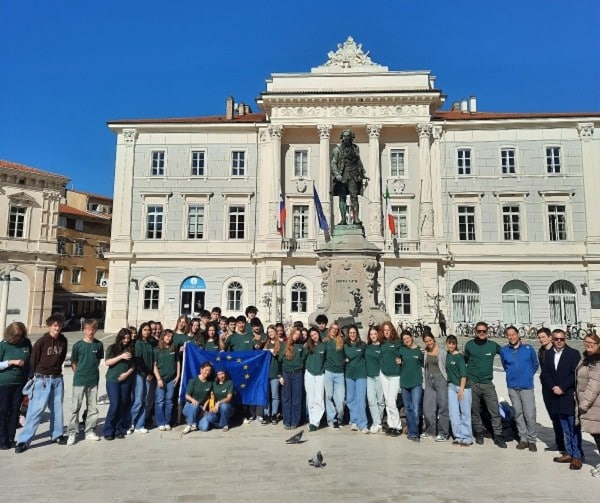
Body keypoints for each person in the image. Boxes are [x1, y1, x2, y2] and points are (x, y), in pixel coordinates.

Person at [15, 314, 68, 453]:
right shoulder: (42, 341)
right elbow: (33, 360)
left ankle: (57, 435)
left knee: (57, 409)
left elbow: (62, 357)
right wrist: (34, 377)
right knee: (35, 410)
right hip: (42, 379)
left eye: (59, 325)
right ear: (50, 326)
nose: (57, 328)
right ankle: (24, 440)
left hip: (57, 379)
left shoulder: (63, 341)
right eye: (55, 325)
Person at [542, 328, 583, 470]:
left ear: (565, 339)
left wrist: (562, 387)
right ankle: (569, 452)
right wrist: (553, 387)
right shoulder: (548, 354)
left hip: (568, 395)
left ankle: (577, 456)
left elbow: (575, 374)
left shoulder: (573, 353)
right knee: (564, 426)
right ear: (552, 339)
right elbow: (545, 373)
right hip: (555, 395)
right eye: (556, 339)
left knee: (573, 427)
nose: (559, 341)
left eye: (562, 339)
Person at [464, 321, 506, 448]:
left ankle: (498, 435)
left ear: (487, 332)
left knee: (494, 410)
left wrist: (520, 344)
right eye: (479, 331)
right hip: (473, 382)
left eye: (484, 331)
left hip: (487, 383)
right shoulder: (469, 345)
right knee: (474, 409)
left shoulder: (493, 346)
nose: (481, 333)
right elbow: (464, 360)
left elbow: (507, 352)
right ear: (475, 332)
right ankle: (479, 432)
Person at [499, 325, 539, 452]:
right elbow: (505, 365)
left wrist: (528, 375)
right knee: (518, 413)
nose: (511, 337)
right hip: (512, 386)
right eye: (509, 335)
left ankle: (532, 439)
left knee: (530, 413)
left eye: (513, 334)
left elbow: (535, 364)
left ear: (518, 334)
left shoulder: (528, 348)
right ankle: (523, 439)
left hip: (526, 386)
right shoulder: (504, 350)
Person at [67, 319, 104, 445]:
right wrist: (79, 374)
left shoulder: (99, 345)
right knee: (75, 407)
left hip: (93, 380)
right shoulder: (78, 345)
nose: (90, 332)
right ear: (84, 330)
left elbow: (97, 361)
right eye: (88, 329)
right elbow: (74, 363)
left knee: (92, 408)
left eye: (93, 329)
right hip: (79, 380)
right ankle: (72, 432)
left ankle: (89, 431)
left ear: (96, 330)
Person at [0, 322, 31, 450]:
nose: (18, 339)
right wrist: (11, 362)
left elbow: (30, 361)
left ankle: (11, 438)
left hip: (20, 383)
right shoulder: (3, 345)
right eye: (16, 336)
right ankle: (2, 439)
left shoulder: (26, 344)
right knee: (3, 411)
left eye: (20, 336)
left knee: (14, 410)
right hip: (4, 383)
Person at [103, 328, 135, 441]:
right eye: (124, 338)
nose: (126, 340)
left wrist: (127, 374)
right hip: (113, 380)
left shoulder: (131, 349)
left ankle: (118, 429)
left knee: (123, 405)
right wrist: (121, 357)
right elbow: (107, 362)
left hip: (125, 380)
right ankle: (108, 430)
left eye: (128, 338)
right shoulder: (112, 348)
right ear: (120, 338)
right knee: (115, 404)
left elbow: (133, 366)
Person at [537, 327, 565, 453]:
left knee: (562, 416)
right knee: (553, 416)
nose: (541, 339)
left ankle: (567, 444)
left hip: (558, 388)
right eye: (539, 337)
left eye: (543, 337)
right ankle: (559, 443)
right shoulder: (541, 351)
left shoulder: (557, 351)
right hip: (546, 387)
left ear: (550, 338)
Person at [576, 333, 600, 477]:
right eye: (587, 342)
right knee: (596, 434)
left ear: (598, 345)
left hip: (595, 404)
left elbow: (594, 385)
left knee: (598, 435)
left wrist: (583, 405)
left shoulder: (597, 361)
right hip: (590, 404)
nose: (589, 345)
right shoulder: (586, 358)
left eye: (592, 343)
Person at [331, 129, 367, 225]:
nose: (346, 138)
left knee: (354, 197)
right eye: (344, 136)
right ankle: (343, 219)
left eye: (348, 136)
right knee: (342, 198)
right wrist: (337, 174)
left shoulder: (356, 148)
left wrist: (362, 173)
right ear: (342, 138)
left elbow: (358, 161)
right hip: (342, 176)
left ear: (351, 138)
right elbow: (333, 163)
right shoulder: (337, 150)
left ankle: (356, 218)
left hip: (353, 176)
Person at [445, 335, 472, 446]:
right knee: (453, 413)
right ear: (446, 344)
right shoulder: (447, 355)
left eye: (453, 344)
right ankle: (458, 436)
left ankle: (467, 437)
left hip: (462, 387)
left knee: (465, 412)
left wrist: (461, 389)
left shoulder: (459, 357)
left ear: (456, 345)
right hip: (451, 387)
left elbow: (464, 375)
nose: (451, 346)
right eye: (449, 343)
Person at [421, 333, 449, 442]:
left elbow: (447, 367)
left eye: (430, 340)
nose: (429, 343)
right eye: (426, 341)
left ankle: (443, 433)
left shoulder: (442, 353)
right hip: (429, 380)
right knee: (427, 407)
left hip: (440, 379)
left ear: (434, 340)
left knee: (443, 406)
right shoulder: (425, 352)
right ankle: (430, 431)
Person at [398, 330, 424, 442]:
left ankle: (414, 432)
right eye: (404, 339)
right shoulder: (401, 350)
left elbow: (425, 364)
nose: (406, 340)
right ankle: (413, 432)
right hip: (404, 383)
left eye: (407, 338)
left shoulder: (419, 351)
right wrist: (398, 361)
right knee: (408, 409)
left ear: (411, 337)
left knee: (416, 408)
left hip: (416, 383)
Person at [130, 322, 155, 434]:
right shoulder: (138, 343)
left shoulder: (150, 343)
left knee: (146, 400)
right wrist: (148, 373)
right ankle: (130, 422)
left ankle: (140, 424)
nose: (147, 332)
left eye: (148, 330)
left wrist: (151, 373)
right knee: (138, 400)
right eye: (145, 330)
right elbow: (139, 359)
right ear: (141, 330)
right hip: (141, 374)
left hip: (149, 374)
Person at [379, 321, 403, 436]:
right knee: (387, 401)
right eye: (384, 330)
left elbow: (403, 353)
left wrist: (401, 360)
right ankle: (390, 425)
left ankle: (397, 426)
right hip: (384, 374)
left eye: (388, 330)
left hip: (395, 375)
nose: (386, 332)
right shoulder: (382, 343)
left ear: (392, 330)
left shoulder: (397, 342)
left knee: (391, 401)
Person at [153, 329, 181, 431]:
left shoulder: (173, 348)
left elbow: (178, 363)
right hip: (161, 379)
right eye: (167, 336)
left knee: (169, 401)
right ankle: (160, 422)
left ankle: (167, 422)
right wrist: (159, 379)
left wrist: (178, 376)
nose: (169, 338)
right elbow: (154, 366)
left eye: (171, 336)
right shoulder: (157, 350)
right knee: (160, 401)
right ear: (163, 337)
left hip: (171, 379)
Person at [344, 325, 368, 433]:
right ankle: (354, 421)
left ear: (357, 333)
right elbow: (339, 356)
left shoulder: (362, 345)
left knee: (361, 399)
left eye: (354, 332)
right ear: (348, 334)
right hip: (349, 374)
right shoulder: (345, 345)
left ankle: (363, 424)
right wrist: (343, 359)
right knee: (350, 399)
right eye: (350, 333)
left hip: (361, 374)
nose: (352, 335)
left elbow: (369, 355)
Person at [279, 327, 305, 429]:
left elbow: (303, 359)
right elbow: (280, 361)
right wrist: (280, 375)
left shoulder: (301, 346)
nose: (296, 336)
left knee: (296, 398)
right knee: (286, 398)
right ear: (291, 334)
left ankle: (294, 421)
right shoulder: (284, 345)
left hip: (298, 374)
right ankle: (286, 421)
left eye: (298, 334)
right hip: (286, 374)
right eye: (295, 334)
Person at [323, 323, 345, 429]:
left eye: (336, 329)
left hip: (340, 373)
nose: (334, 330)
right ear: (330, 329)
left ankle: (339, 418)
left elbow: (346, 353)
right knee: (329, 396)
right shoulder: (325, 341)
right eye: (333, 328)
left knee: (340, 399)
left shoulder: (341, 341)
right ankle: (332, 420)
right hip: (329, 371)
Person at [182, 362, 213, 434]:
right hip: (190, 406)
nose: (207, 372)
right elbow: (187, 395)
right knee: (195, 406)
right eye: (206, 370)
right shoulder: (193, 381)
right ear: (201, 370)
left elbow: (209, 397)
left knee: (204, 428)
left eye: (209, 371)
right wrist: (193, 400)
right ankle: (189, 425)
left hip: (200, 408)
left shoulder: (210, 383)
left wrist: (204, 408)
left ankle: (194, 420)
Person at [304, 327, 325, 432]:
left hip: (320, 374)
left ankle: (315, 422)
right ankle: (312, 421)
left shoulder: (324, 346)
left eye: (315, 334)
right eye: (311, 335)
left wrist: (323, 369)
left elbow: (327, 359)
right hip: (309, 373)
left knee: (319, 398)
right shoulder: (308, 346)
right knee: (310, 398)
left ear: (318, 334)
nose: (314, 337)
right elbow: (303, 358)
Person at [365, 326, 385, 434]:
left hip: (379, 376)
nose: (373, 336)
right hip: (369, 377)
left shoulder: (382, 347)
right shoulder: (367, 347)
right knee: (371, 400)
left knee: (380, 401)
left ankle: (377, 423)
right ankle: (377, 422)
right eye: (371, 334)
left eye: (375, 334)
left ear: (378, 334)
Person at [263, 325, 282, 424]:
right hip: (266, 373)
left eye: (272, 331)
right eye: (269, 332)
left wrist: (274, 353)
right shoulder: (266, 344)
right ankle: (266, 414)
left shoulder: (280, 343)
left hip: (275, 372)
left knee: (275, 395)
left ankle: (274, 414)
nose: (270, 334)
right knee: (266, 395)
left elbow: (281, 358)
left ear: (275, 331)